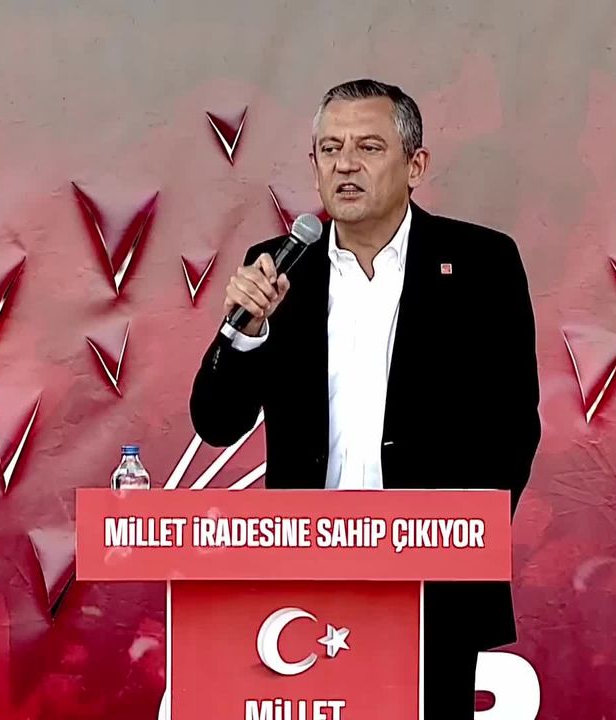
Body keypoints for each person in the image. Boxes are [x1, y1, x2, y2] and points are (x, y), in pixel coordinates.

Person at [188, 78, 540, 717]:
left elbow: (513, 427)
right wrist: (246, 332)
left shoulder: (481, 263)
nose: (345, 164)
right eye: (330, 149)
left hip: (433, 587)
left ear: (416, 165)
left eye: (369, 147)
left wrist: (458, 536)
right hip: (301, 584)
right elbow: (216, 421)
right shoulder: (279, 267)